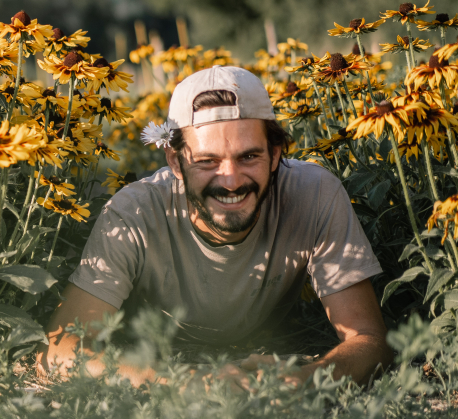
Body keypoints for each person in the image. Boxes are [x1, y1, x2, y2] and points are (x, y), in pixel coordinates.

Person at [38, 66, 392, 387]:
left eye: (249, 156)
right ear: (176, 162)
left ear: (276, 153)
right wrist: (186, 381)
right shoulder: (133, 214)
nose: (232, 180)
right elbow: (60, 352)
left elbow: (368, 339)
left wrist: (306, 379)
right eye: (207, 161)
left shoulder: (314, 194)